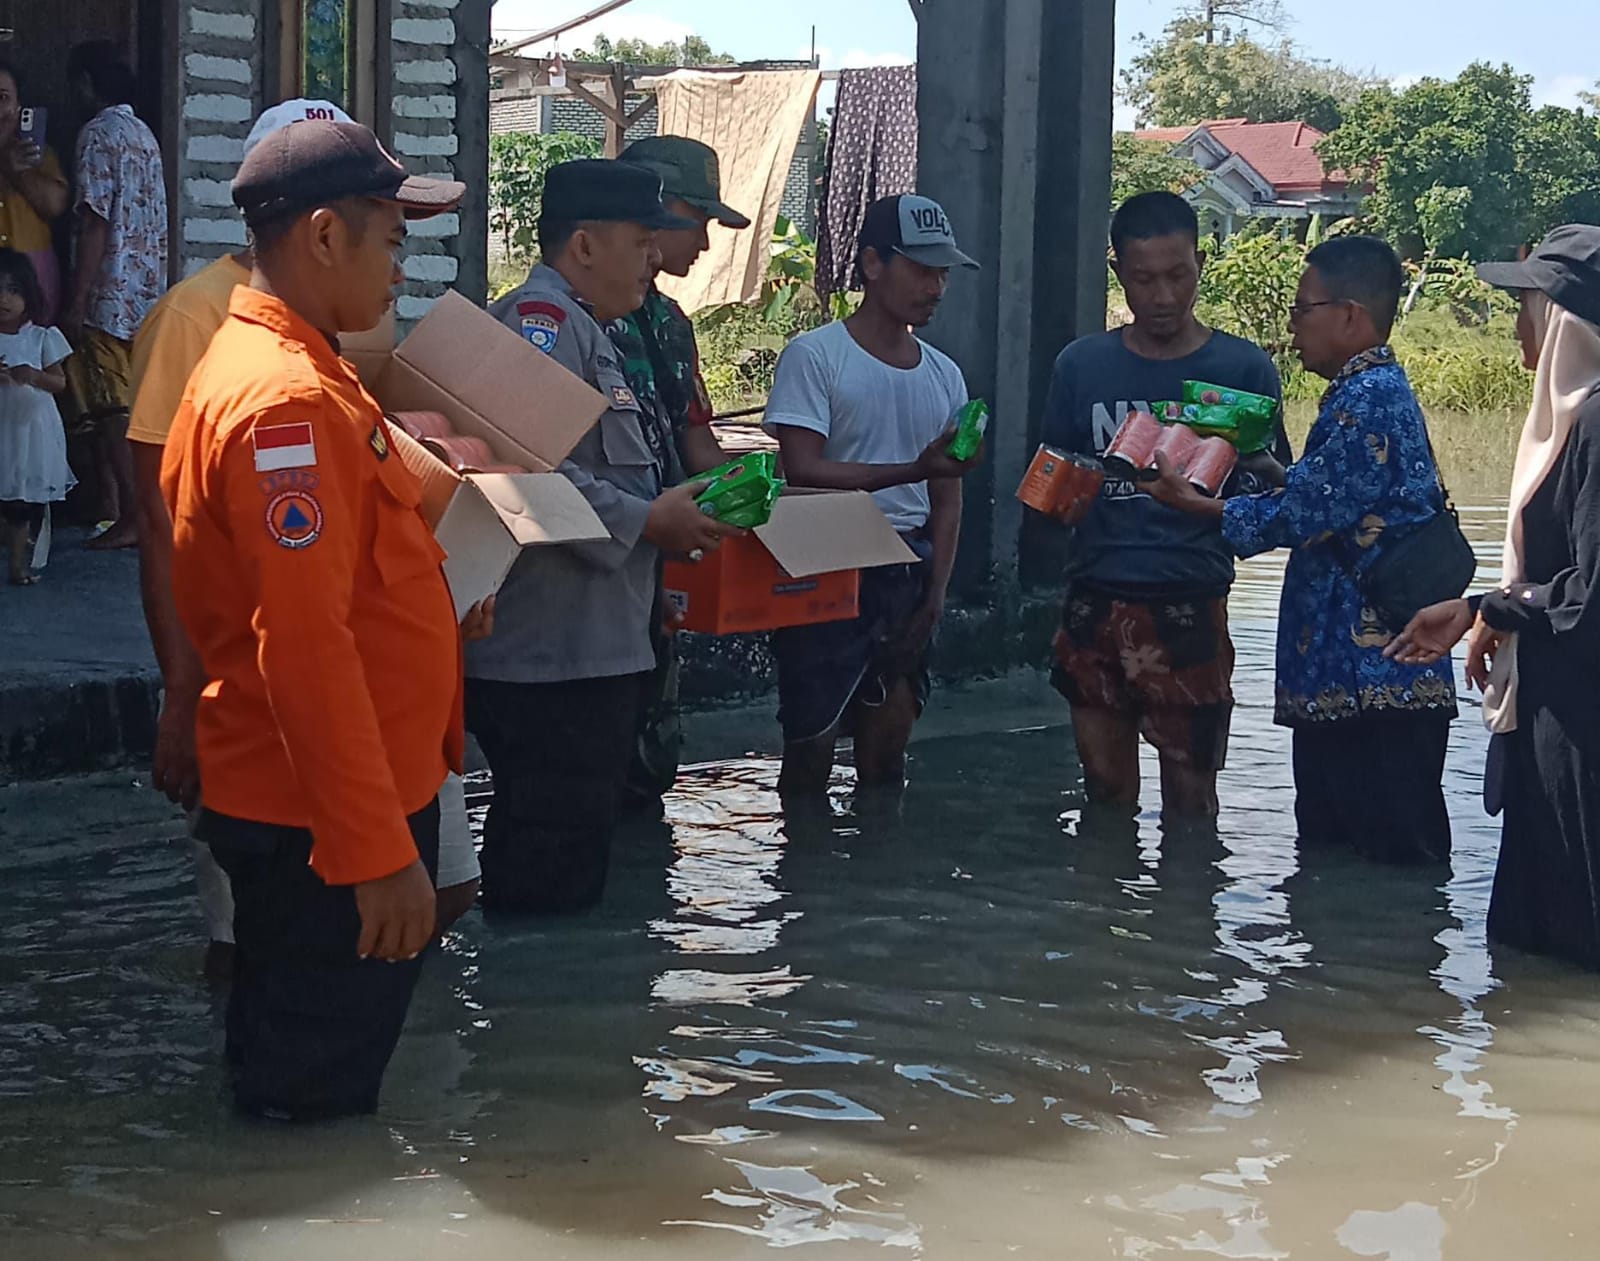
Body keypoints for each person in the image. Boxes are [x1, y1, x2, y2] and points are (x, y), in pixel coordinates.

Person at [163, 118, 468, 1120]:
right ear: (326, 236)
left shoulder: (312, 373)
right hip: (324, 828)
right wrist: (375, 852)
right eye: (392, 239)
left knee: (303, 1080)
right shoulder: (283, 407)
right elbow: (302, 648)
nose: (399, 269)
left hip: (331, 809)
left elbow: (391, 512)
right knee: (311, 1118)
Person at [471, 159, 741, 913]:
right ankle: (537, 1022)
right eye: (640, 240)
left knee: (573, 855)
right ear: (584, 246)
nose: (655, 258)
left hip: (592, 645)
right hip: (553, 657)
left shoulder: (592, 331)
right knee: (547, 870)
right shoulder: (544, 327)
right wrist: (649, 521)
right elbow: (524, 474)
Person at [1149, 236, 1457, 864]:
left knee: (1378, 857)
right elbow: (1336, 499)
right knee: (1352, 856)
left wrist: (1198, 506)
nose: (1291, 330)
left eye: (1301, 311)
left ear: (1350, 315)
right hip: (1359, 679)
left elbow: (1308, 514)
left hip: (1369, 680)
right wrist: (1267, 467)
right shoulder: (1366, 393)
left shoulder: (1364, 399)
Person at [1388, 225, 1600, 962]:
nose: (1516, 328)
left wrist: (1488, 608)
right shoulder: (1569, 422)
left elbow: (1589, 596)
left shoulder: (1597, 424)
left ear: (1565, 323)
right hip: (1556, 702)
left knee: (1567, 925)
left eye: (1528, 308)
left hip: (1580, 725)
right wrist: (1493, 610)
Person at [1041, 191, 1289, 819]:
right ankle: (1099, 911)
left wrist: (1206, 497)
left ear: (1201, 262)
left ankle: (1185, 915)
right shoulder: (1082, 366)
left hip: (1190, 600)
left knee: (1191, 798)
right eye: (1143, 278)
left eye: (1178, 275)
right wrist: (1059, 500)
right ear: (1117, 270)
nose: (1162, 296)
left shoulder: (1242, 368)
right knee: (1104, 791)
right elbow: (1051, 474)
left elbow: (1277, 492)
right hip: (1094, 596)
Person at [762, 194, 980, 801]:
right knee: (809, 749)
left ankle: (878, 884)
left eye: (942, 272)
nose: (935, 287)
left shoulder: (944, 373)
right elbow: (801, 470)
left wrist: (936, 593)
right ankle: (805, 884)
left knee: (888, 757)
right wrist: (912, 466)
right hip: (825, 562)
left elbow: (948, 493)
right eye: (920, 269)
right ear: (871, 264)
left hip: (906, 568)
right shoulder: (816, 355)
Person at [611, 135, 752, 816]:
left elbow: (697, 442)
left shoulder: (669, 323)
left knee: (650, 761)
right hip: (591, 576)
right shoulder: (563, 319)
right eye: (699, 222)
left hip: (657, 577)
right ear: (657, 207)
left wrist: (767, 497)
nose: (705, 242)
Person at [62, 41, 167, 552]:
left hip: (111, 292)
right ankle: (136, 510)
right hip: (147, 292)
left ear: (87, 82)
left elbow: (95, 219)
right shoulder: (143, 134)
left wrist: (78, 298)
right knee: (136, 404)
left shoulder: (98, 135)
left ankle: (132, 514)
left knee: (111, 409)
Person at [0, 248, 72, 584]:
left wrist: (33, 375)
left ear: (29, 293)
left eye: (13, 290)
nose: (5, 299)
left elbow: (59, 382)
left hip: (28, 433)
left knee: (20, 502)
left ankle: (17, 566)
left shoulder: (42, 337)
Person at [0, 61, 69, 321]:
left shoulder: (41, 155)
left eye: (3, 97)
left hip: (30, 282)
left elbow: (54, 205)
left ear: (19, 107)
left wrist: (17, 172)